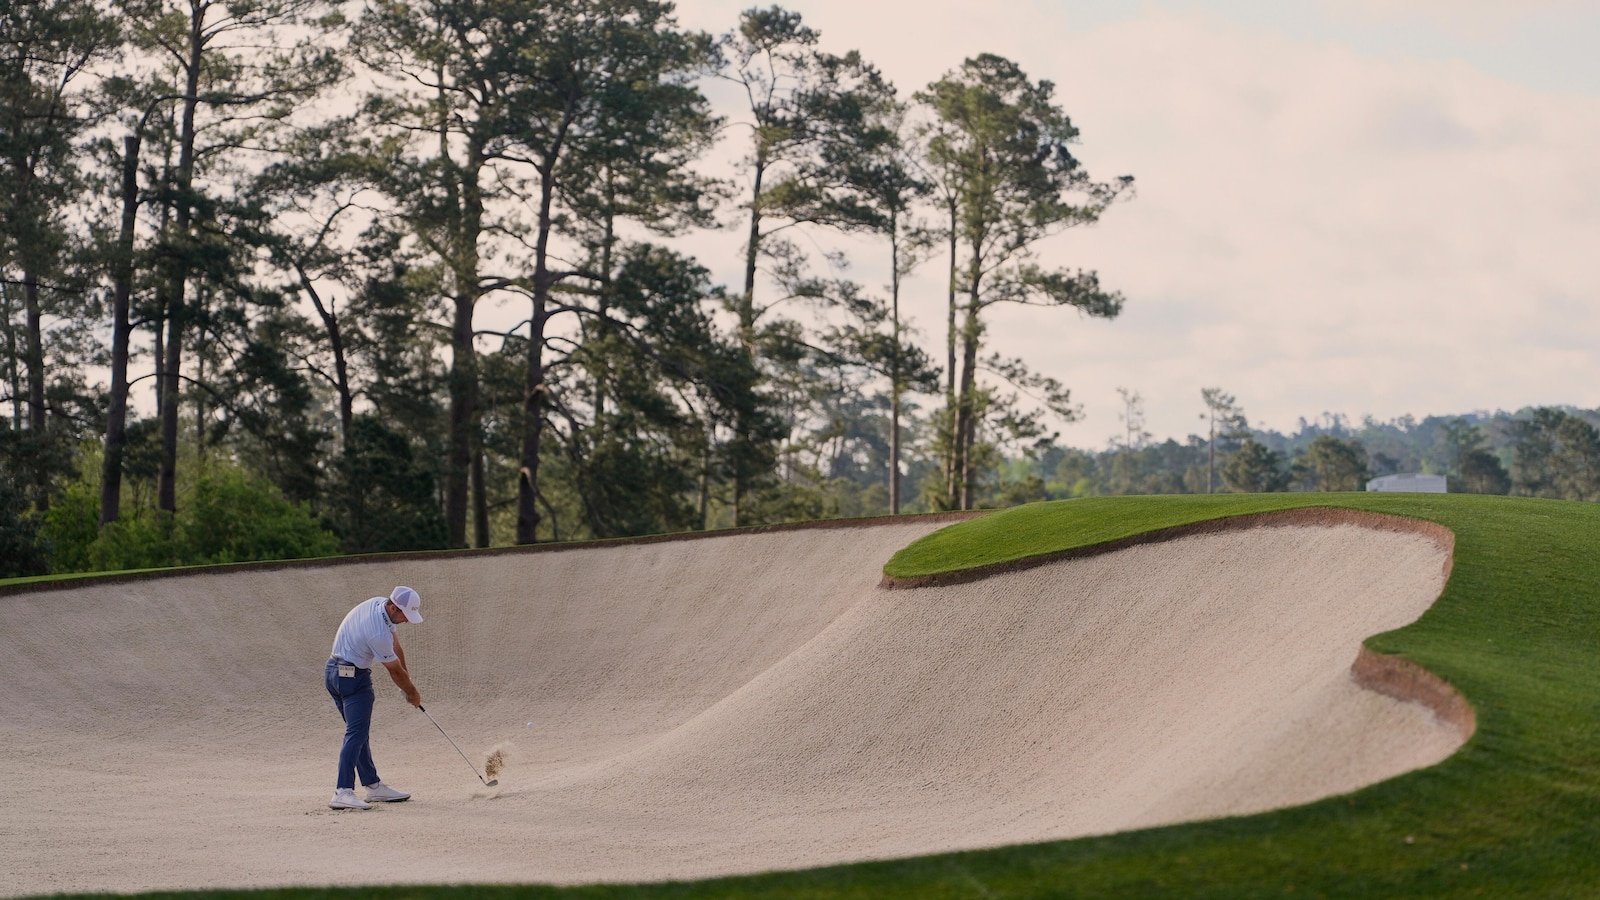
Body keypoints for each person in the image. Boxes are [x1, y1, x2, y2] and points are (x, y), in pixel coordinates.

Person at [325, 585, 425, 810]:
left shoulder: (378, 603)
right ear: (393, 607)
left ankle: (372, 785)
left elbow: (396, 647)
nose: (407, 621)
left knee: (358, 732)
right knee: (356, 733)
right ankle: (342, 791)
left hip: (333, 672)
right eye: (405, 616)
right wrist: (413, 693)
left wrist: (406, 683)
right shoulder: (377, 631)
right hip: (352, 679)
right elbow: (394, 671)